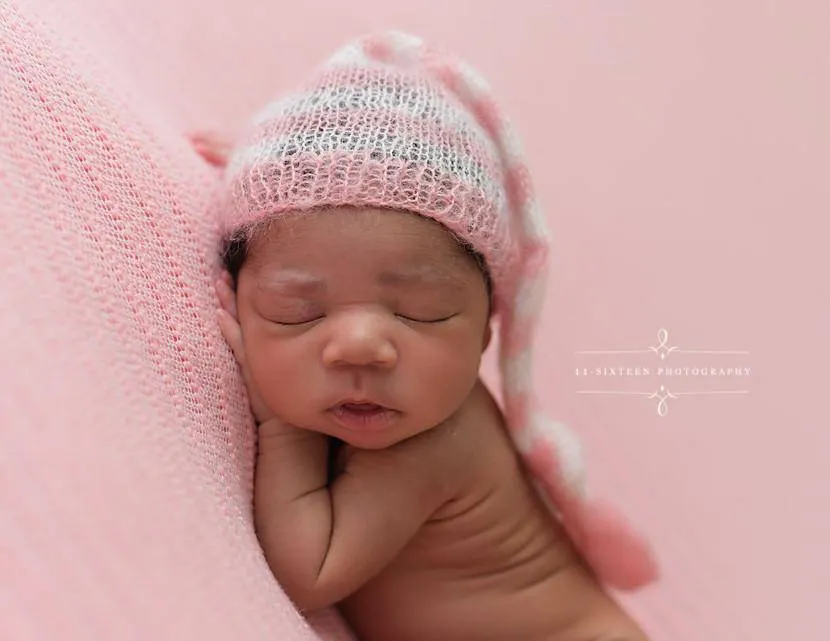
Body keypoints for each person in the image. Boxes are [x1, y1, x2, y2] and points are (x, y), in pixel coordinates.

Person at [197, 30, 658, 641]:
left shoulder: (436, 440)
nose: (360, 346)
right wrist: (268, 178)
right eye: (297, 311)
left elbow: (309, 570)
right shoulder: (402, 399)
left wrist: (282, 426)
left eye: (421, 311)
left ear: (487, 329)